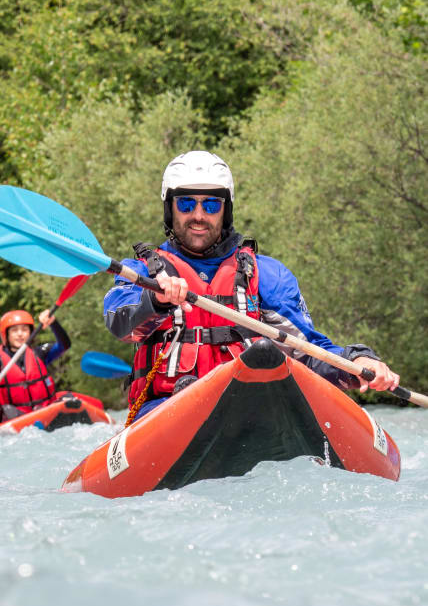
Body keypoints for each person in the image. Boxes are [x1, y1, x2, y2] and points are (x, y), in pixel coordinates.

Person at [104, 150, 400, 421]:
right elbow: (119, 321)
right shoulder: (141, 273)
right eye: (186, 203)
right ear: (171, 209)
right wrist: (156, 301)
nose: (198, 215)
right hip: (166, 413)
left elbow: (309, 352)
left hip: (249, 412)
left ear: (225, 210)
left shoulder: (267, 275)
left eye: (210, 204)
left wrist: (356, 360)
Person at [0, 309, 71, 422]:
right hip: (16, 416)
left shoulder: (39, 353)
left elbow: (65, 345)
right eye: (14, 330)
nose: (20, 334)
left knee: (70, 399)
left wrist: (53, 323)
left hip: (44, 411)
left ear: (31, 333)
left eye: (24, 330)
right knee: (7, 410)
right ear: (6, 335)